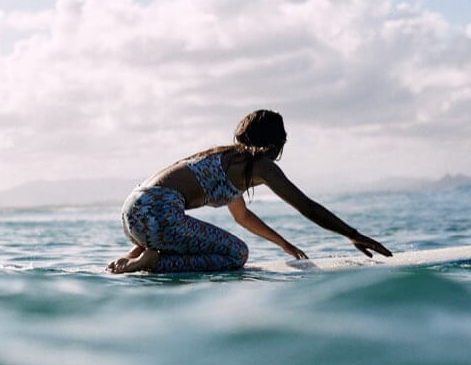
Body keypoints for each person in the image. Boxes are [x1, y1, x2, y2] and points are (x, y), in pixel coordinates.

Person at [107, 109, 392, 273]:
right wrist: (352, 235)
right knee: (236, 254)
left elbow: (242, 216)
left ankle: (135, 256)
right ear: (276, 143)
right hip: (159, 212)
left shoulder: (229, 160)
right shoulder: (261, 166)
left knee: (222, 242)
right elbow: (307, 207)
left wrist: (282, 243)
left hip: (133, 211)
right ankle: (154, 261)